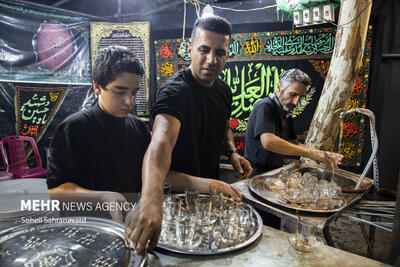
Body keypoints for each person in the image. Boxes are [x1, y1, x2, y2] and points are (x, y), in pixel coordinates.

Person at [47, 46, 239, 223]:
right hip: (89, 226)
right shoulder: (74, 128)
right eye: (120, 92)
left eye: (134, 92)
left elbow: (158, 174)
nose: (129, 102)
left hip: (130, 223)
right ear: (97, 86)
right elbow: (54, 192)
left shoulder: (137, 128)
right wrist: (103, 196)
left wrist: (209, 185)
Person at [125, 16, 253, 254]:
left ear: (228, 54)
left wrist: (233, 153)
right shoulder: (175, 92)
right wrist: (151, 200)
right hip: (173, 205)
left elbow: (224, 126)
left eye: (220, 52)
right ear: (190, 48)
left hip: (207, 202)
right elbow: (160, 142)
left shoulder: (223, 90)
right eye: (204, 50)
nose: (211, 60)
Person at [244, 68, 343, 176]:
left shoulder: (285, 111)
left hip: (274, 171)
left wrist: (322, 155)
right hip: (255, 172)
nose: (296, 102)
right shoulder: (265, 106)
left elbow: (294, 142)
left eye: (300, 97)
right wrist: (312, 154)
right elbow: (269, 141)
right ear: (279, 87)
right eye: (293, 94)